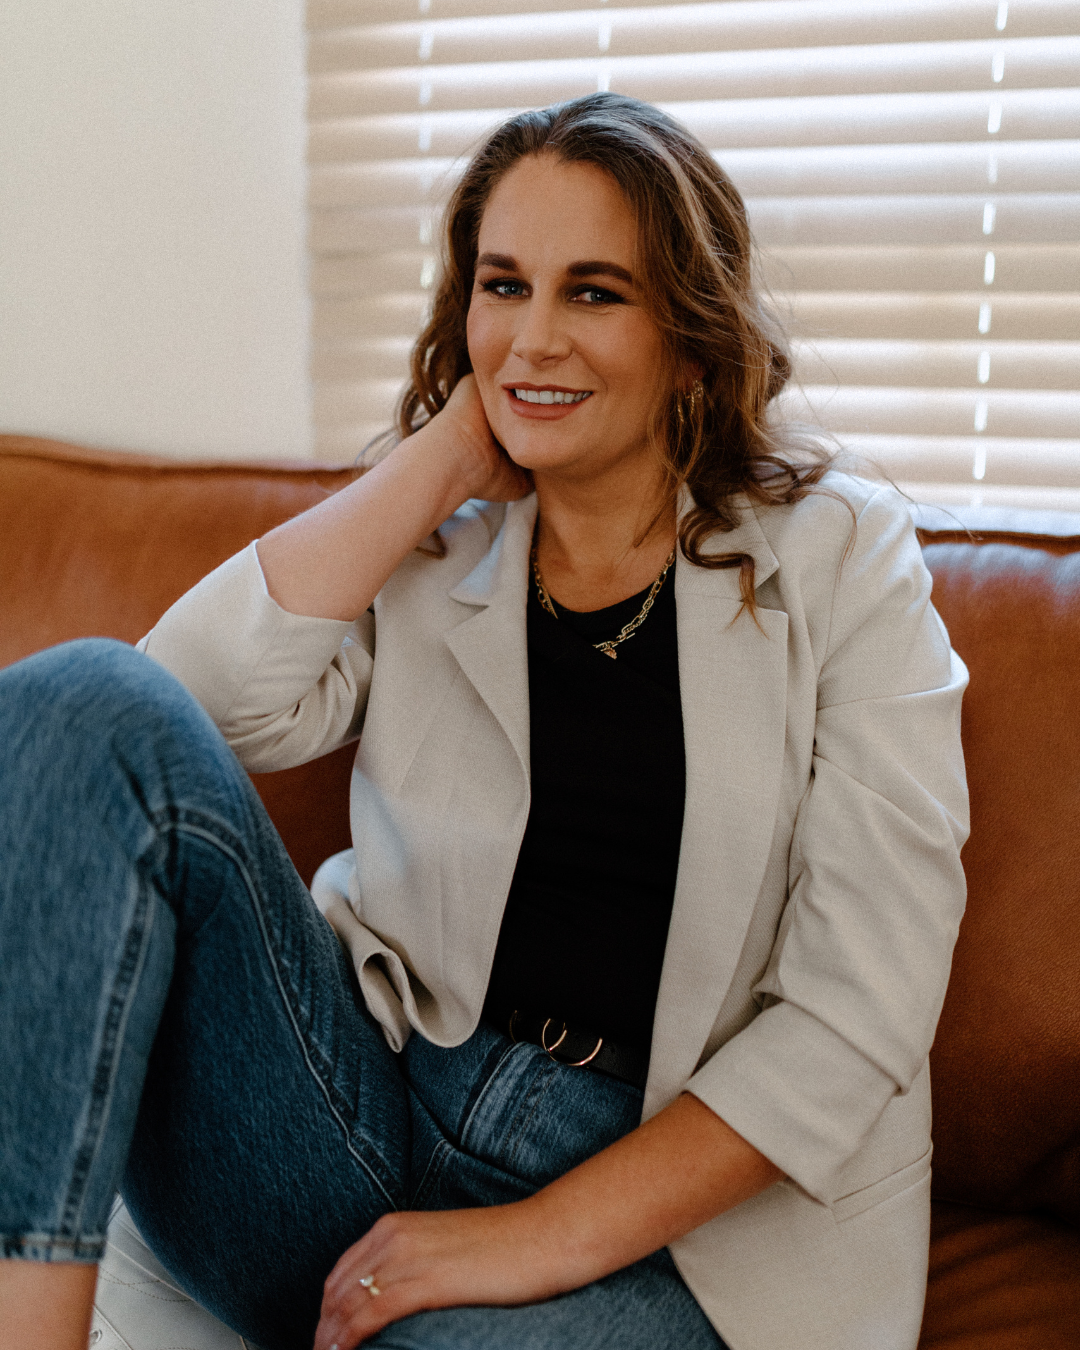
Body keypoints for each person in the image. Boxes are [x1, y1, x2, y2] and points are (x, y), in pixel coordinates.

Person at [0, 93, 968, 1350]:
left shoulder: (845, 562)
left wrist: (521, 1239)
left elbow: (858, 1011)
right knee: (77, 696)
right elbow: (173, 706)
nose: (535, 336)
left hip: (683, 1229)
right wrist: (451, 452)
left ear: (690, 337)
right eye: (503, 286)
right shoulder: (439, 544)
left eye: (594, 293)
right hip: (370, 1114)